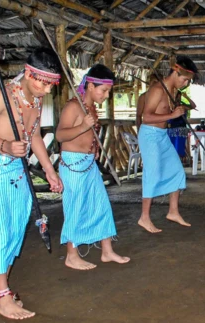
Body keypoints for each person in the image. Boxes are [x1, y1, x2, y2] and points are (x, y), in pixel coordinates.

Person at [0, 48, 64, 320]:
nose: (44, 89)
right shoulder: (4, 96)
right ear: (28, 72)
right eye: (40, 82)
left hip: (19, 173)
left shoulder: (37, 99)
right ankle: (2, 296)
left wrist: (49, 170)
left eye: (49, 84)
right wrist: (4, 145)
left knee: (14, 230)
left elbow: (34, 136)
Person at [55, 64, 130, 270]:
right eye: (103, 90)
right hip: (72, 164)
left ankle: (107, 251)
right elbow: (60, 135)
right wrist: (82, 127)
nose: (106, 95)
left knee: (101, 205)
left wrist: (94, 148)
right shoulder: (73, 106)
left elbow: (89, 135)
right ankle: (71, 255)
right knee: (76, 208)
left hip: (89, 164)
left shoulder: (90, 108)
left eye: (108, 91)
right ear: (89, 85)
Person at [137, 56, 197, 233]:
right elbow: (146, 117)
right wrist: (171, 116)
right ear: (176, 72)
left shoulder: (172, 91)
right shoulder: (157, 89)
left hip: (162, 135)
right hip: (150, 135)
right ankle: (144, 218)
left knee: (177, 171)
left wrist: (176, 112)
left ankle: (173, 211)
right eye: (185, 79)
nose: (185, 84)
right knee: (152, 175)